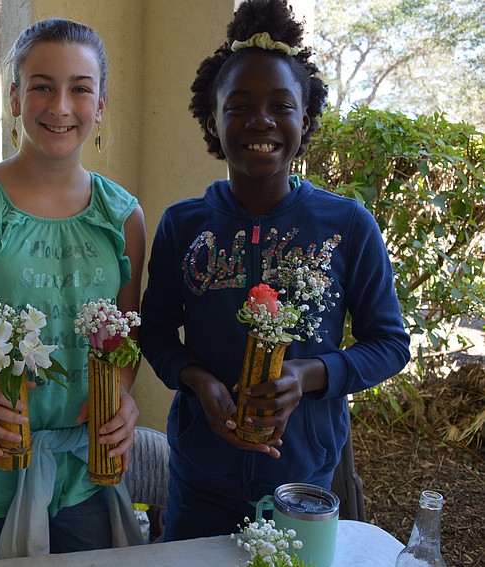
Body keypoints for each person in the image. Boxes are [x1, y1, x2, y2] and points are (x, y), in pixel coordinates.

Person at [139, 0, 410, 540]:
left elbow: (390, 343)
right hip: (199, 484)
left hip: (303, 487)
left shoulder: (347, 225)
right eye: (238, 105)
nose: (260, 120)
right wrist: (197, 381)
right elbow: (157, 332)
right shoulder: (183, 225)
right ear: (212, 120)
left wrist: (308, 375)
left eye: (280, 106)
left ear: (304, 120)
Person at [0, 17, 146, 564]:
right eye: (41, 86)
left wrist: (121, 396)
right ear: (14, 98)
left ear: (101, 104)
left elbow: (127, 334)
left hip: (84, 473)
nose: (60, 106)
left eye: (80, 88)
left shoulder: (123, 216)